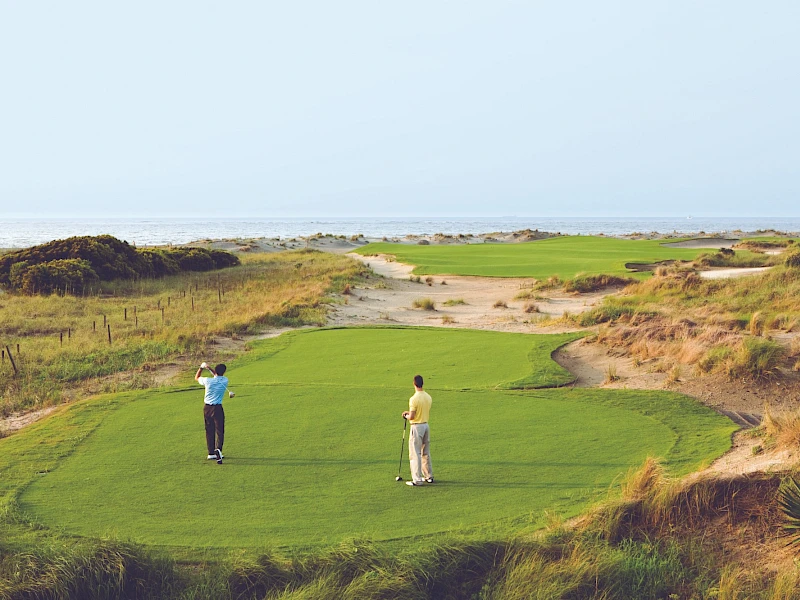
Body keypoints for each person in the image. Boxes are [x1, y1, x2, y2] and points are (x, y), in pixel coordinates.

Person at [402, 374, 433, 486]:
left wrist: (406, 415)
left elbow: (412, 416)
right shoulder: (428, 397)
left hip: (417, 427)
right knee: (425, 452)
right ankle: (428, 476)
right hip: (426, 426)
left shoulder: (413, 399)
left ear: (414, 384)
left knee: (415, 453)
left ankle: (417, 479)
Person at [195, 362, 228, 464]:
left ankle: (211, 453)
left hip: (207, 408)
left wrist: (201, 368)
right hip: (218, 408)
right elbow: (217, 375)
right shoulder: (225, 380)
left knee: (209, 429)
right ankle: (218, 449)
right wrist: (209, 368)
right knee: (220, 430)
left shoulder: (207, 381)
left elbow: (197, 377)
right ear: (224, 372)